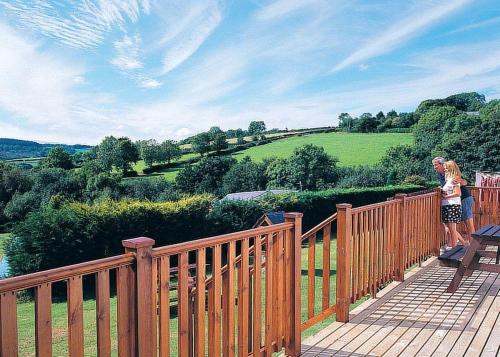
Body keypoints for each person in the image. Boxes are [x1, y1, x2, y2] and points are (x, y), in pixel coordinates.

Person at [432, 157, 475, 243]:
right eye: (434, 165)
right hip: (455, 200)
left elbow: (464, 182)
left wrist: (459, 182)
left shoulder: (451, 172)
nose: (434, 167)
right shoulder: (441, 175)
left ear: (442, 164)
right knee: (450, 226)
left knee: (468, 224)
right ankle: (464, 244)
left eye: (436, 165)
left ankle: (473, 247)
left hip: (464, 198)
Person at [440, 160, 467, 249]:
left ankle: (455, 249)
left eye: (446, 168)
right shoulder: (450, 179)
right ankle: (459, 246)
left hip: (452, 206)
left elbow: (458, 193)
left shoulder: (454, 179)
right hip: (448, 206)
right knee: (450, 228)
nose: (445, 170)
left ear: (451, 169)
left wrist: (445, 197)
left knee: (452, 229)